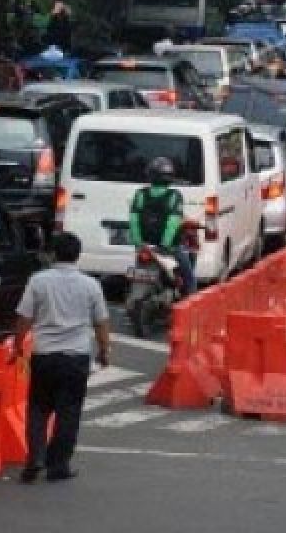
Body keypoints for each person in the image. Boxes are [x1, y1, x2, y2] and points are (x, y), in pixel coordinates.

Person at [13, 233, 110, 483]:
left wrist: (17, 347)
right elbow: (101, 322)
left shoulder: (38, 281)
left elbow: (24, 317)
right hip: (76, 357)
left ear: (54, 254)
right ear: (78, 255)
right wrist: (104, 350)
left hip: (44, 354)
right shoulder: (91, 285)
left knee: (38, 409)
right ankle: (58, 465)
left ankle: (35, 456)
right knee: (69, 413)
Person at [129, 157, 195, 295]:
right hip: (169, 247)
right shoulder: (174, 196)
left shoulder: (140, 194)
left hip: (145, 247)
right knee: (189, 276)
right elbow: (173, 222)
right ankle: (190, 297)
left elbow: (134, 219)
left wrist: (138, 242)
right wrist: (165, 245)